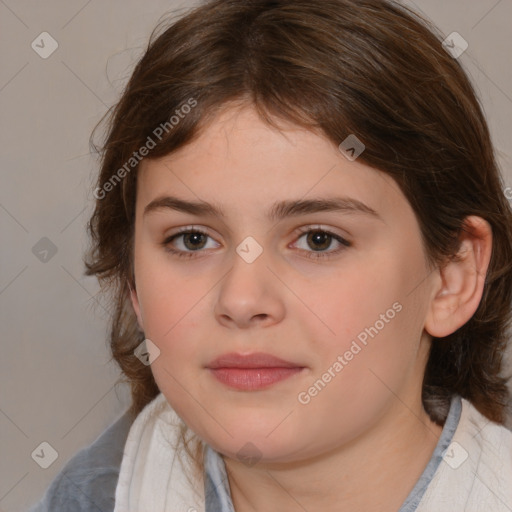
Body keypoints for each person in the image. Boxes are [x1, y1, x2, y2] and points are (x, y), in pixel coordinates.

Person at [30, 0, 512, 510]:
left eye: (319, 239)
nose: (241, 299)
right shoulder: (92, 495)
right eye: (192, 239)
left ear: (452, 276)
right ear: (133, 280)